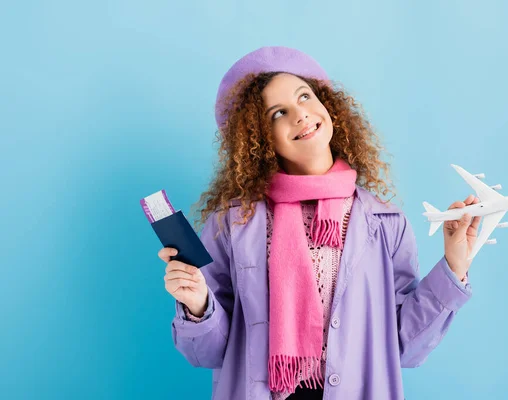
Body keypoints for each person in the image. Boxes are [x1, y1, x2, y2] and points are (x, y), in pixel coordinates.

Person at [158, 46, 480, 400]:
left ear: (328, 107)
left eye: (305, 96)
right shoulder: (233, 223)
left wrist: (453, 266)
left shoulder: (385, 221)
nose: (300, 115)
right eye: (279, 112)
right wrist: (198, 305)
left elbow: (404, 346)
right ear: (260, 137)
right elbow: (209, 353)